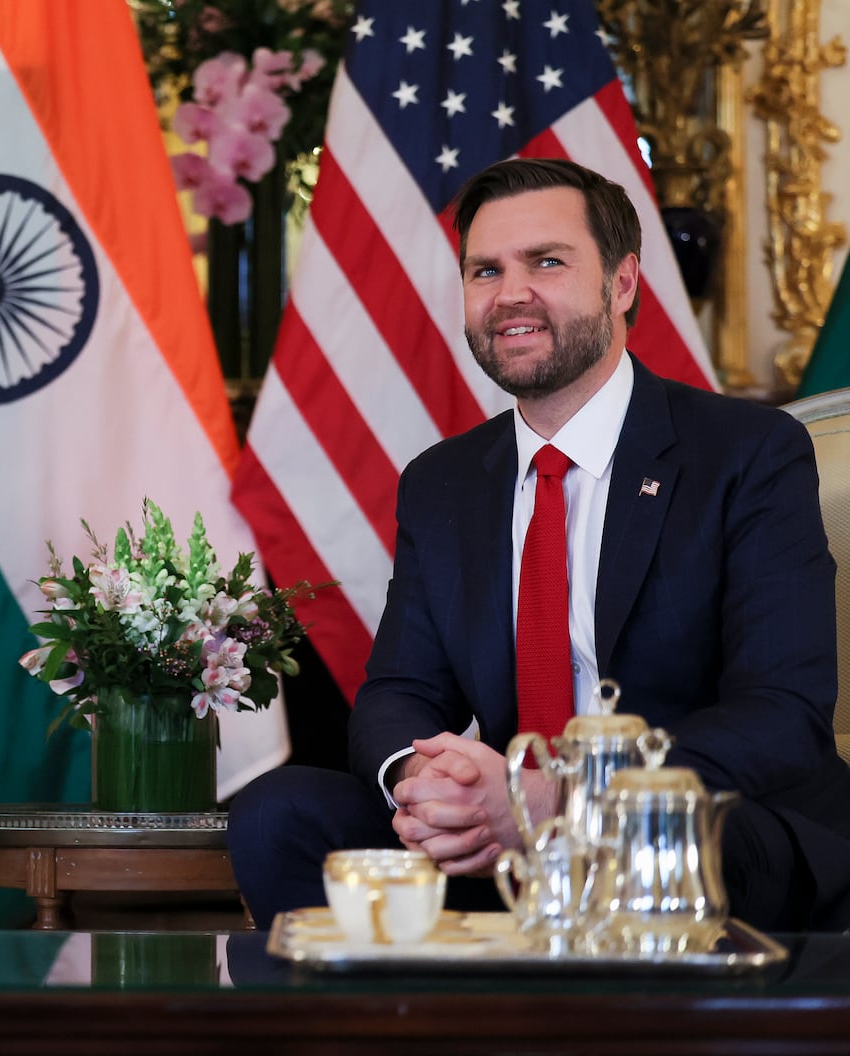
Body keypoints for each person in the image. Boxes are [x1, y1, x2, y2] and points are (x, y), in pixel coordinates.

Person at [228, 158, 850, 933]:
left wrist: (559, 794)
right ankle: (395, 1039)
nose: (510, 293)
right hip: (502, 849)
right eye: (485, 270)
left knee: (659, 834)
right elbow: (398, 693)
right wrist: (430, 780)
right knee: (275, 812)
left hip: (708, 829)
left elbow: (779, 715)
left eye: (547, 262)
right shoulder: (443, 481)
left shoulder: (748, 452)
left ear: (622, 284)